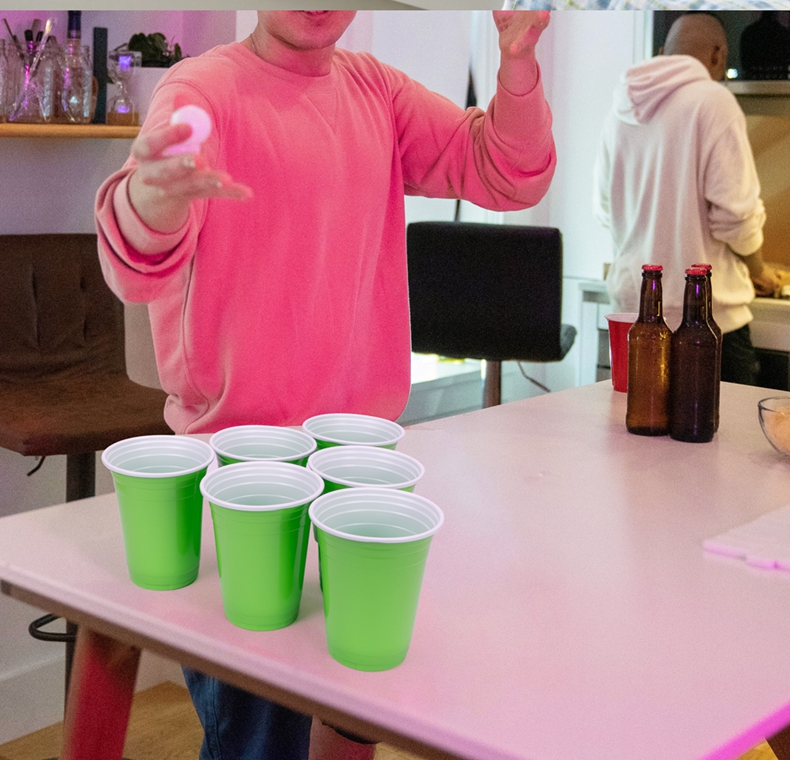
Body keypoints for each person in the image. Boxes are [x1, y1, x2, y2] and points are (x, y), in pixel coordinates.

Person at [94, 10, 556, 760]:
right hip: (242, 474)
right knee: (262, 736)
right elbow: (133, 264)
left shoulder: (379, 92)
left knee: (353, 712)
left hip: (359, 464)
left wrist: (518, 66)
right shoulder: (201, 92)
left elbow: (508, 171)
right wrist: (152, 197)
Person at [592, 12, 781, 386]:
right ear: (718, 55)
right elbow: (735, 215)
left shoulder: (622, 108)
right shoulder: (714, 101)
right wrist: (759, 271)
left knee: (640, 423)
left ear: (664, 52)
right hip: (705, 319)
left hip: (635, 313)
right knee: (721, 424)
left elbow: (604, 210)